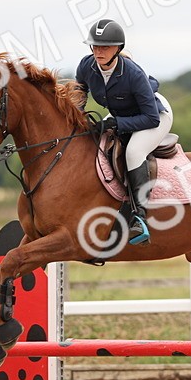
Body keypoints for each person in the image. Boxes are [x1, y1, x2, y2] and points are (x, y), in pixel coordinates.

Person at [75, 18, 173, 245]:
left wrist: (117, 124)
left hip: (156, 116)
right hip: (122, 114)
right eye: (95, 46)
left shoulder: (133, 73)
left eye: (105, 47)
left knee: (133, 152)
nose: (98, 52)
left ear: (117, 49)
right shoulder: (86, 66)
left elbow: (150, 117)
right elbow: (79, 94)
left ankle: (139, 216)